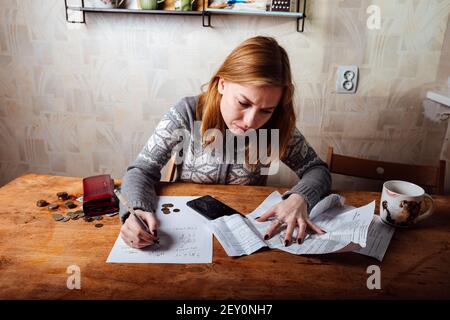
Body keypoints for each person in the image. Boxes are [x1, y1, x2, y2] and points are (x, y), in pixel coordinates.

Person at [119, 36, 331, 249]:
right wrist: (136, 210)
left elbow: (317, 169)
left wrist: (299, 198)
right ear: (222, 84)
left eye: (266, 110)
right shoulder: (186, 113)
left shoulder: (276, 124)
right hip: (183, 229)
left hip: (245, 232)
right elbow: (141, 171)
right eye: (243, 102)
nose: (250, 122)